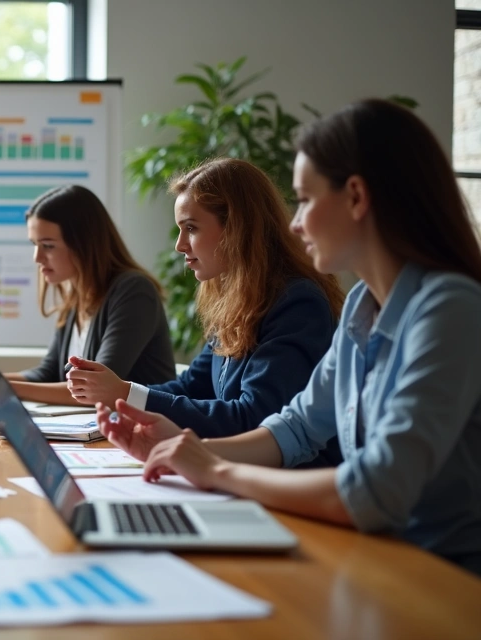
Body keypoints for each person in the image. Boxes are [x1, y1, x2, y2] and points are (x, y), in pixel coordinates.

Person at [100, 99, 481, 576]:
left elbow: (375, 490)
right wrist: (180, 448)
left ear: (356, 197)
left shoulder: (450, 308)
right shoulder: (363, 304)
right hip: (377, 557)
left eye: (304, 199)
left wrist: (217, 470)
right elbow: (297, 427)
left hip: (444, 576)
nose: (295, 222)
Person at [67, 158, 344, 452]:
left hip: (289, 477)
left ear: (237, 228)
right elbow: (191, 386)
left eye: (191, 228)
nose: (180, 245)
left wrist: (124, 393)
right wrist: (121, 397)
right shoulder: (235, 299)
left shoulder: (297, 303)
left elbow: (256, 417)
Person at [0, 186, 175, 404]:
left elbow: (93, 388)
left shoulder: (134, 292)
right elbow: (47, 373)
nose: (37, 258)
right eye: (35, 244)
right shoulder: (76, 296)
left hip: (141, 427)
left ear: (84, 244)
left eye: (48, 246)